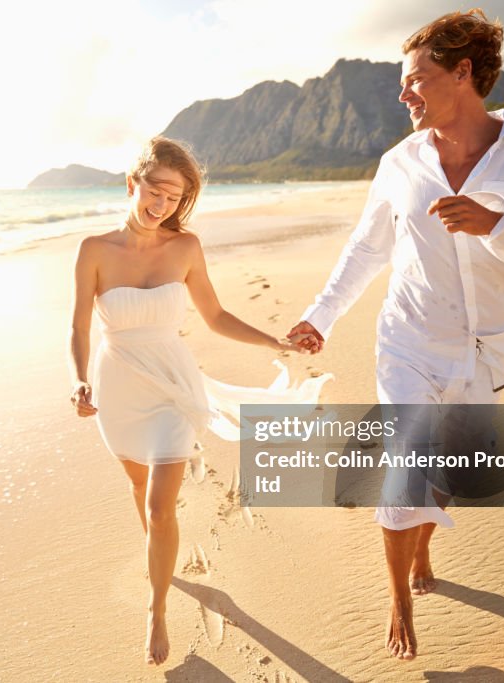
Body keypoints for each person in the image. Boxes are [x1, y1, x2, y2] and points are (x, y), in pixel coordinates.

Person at [287, 9, 504, 661]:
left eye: (415, 79)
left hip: (486, 352)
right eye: (402, 82)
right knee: (405, 474)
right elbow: (367, 249)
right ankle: (397, 597)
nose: (403, 94)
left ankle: (423, 543)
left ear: (463, 73)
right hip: (408, 342)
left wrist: (496, 224)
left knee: (450, 471)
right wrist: (320, 315)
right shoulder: (401, 162)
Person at [69, 136, 326, 666]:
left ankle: (156, 607)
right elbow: (77, 325)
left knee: (162, 506)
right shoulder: (93, 250)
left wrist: (273, 340)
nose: (161, 204)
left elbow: (215, 317)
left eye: (174, 198)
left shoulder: (185, 248)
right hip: (117, 382)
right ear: (132, 183)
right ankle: (161, 558)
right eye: (155, 190)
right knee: (140, 490)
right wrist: (79, 380)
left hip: (172, 383)